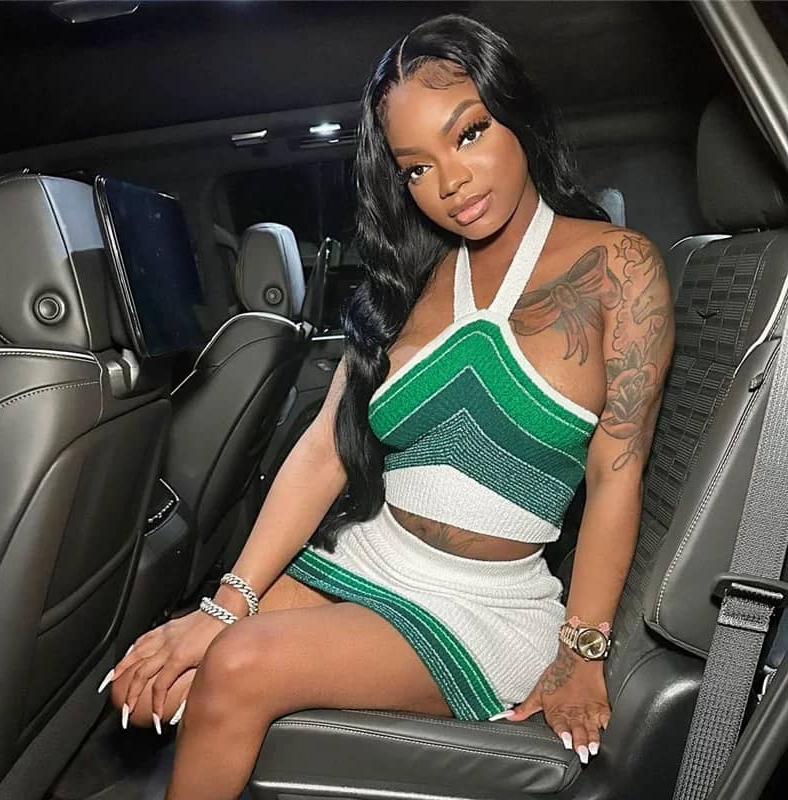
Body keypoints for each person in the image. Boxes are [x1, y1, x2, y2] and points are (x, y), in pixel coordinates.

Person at [100, 14, 674, 799]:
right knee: (161, 686)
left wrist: (582, 651)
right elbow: (322, 454)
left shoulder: (618, 266)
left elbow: (616, 474)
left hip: (486, 605)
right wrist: (223, 604)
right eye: (416, 168)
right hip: (375, 556)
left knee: (236, 664)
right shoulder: (408, 282)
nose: (451, 181)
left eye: (469, 133)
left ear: (516, 114)